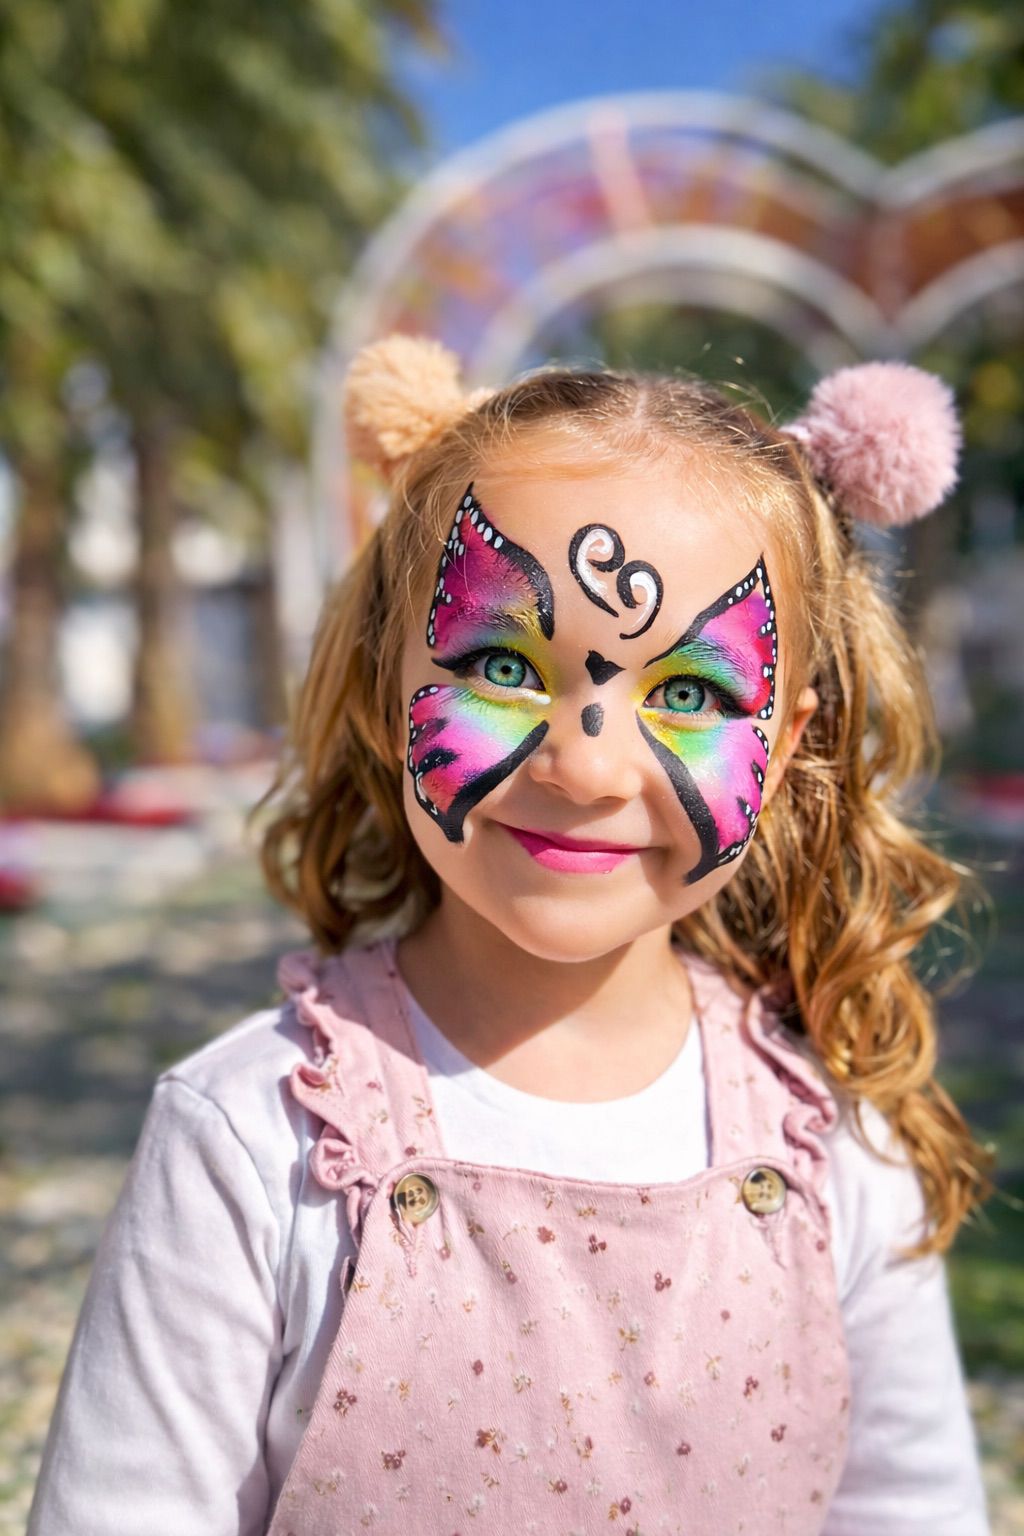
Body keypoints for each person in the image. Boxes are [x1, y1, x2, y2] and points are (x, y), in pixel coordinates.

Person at [29, 337, 993, 1536]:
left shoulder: (835, 1149)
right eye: (500, 664)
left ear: (786, 741)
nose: (586, 766)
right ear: (390, 692)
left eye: (686, 693)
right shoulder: (251, 1140)